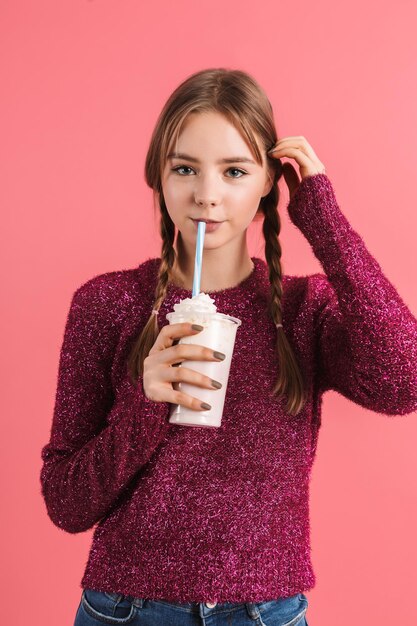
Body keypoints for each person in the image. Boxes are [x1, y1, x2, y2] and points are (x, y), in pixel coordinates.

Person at [40, 68, 417, 626]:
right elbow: (65, 504)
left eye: (235, 171)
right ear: (159, 177)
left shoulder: (301, 312)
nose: (206, 195)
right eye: (185, 168)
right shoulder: (107, 304)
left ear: (269, 180)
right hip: (124, 609)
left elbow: (403, 380)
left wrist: (325, 219)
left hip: (265, 612)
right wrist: (145, 406)